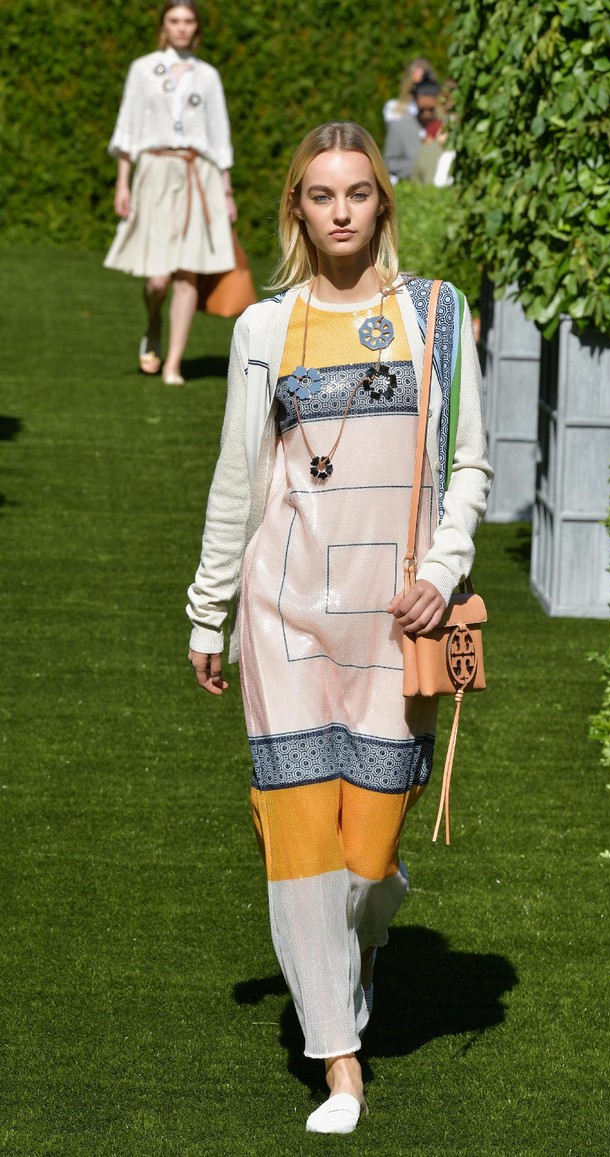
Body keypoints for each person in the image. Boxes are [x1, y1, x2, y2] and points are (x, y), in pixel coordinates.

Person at [186, 122, 492, 1135]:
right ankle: (339, 1058)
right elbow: (242, 476)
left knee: (366, 861)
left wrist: (441, 572)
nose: (341, 212)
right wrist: (208, 603)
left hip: (391, 627)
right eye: (320, 196)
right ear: (296, 211)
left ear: (382, 204)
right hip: (282, 621)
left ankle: (361, 931)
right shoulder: (265, 330)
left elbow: (469, 469)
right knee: (302, 849)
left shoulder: (432, 318)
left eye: (357, 193)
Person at [104, 1, 237, 385]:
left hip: (200, 173)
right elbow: (127, 126)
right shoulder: (143, 69)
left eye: (188, 21)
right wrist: (122, 181)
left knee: (186, 273)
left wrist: (227, 191)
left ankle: (174, 363)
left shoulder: (207, 75)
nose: (181, 27)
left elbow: (219, 132)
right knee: (157, 278)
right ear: (164, 25)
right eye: (174, 20)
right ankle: (153, 321)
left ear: (196, 27)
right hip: (155, 171)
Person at [383, 80, 442, 183]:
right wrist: (421, 165)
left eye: (431, 109)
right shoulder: (399, 127)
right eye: (422, 109)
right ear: (415, 101)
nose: (427, 114)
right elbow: (389, 163)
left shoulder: (445, 127)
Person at [382, 57, 438, 125]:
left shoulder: (438, 113)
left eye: (423, 85)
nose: (419, 90)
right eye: (415, 85)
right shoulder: (393, 108)